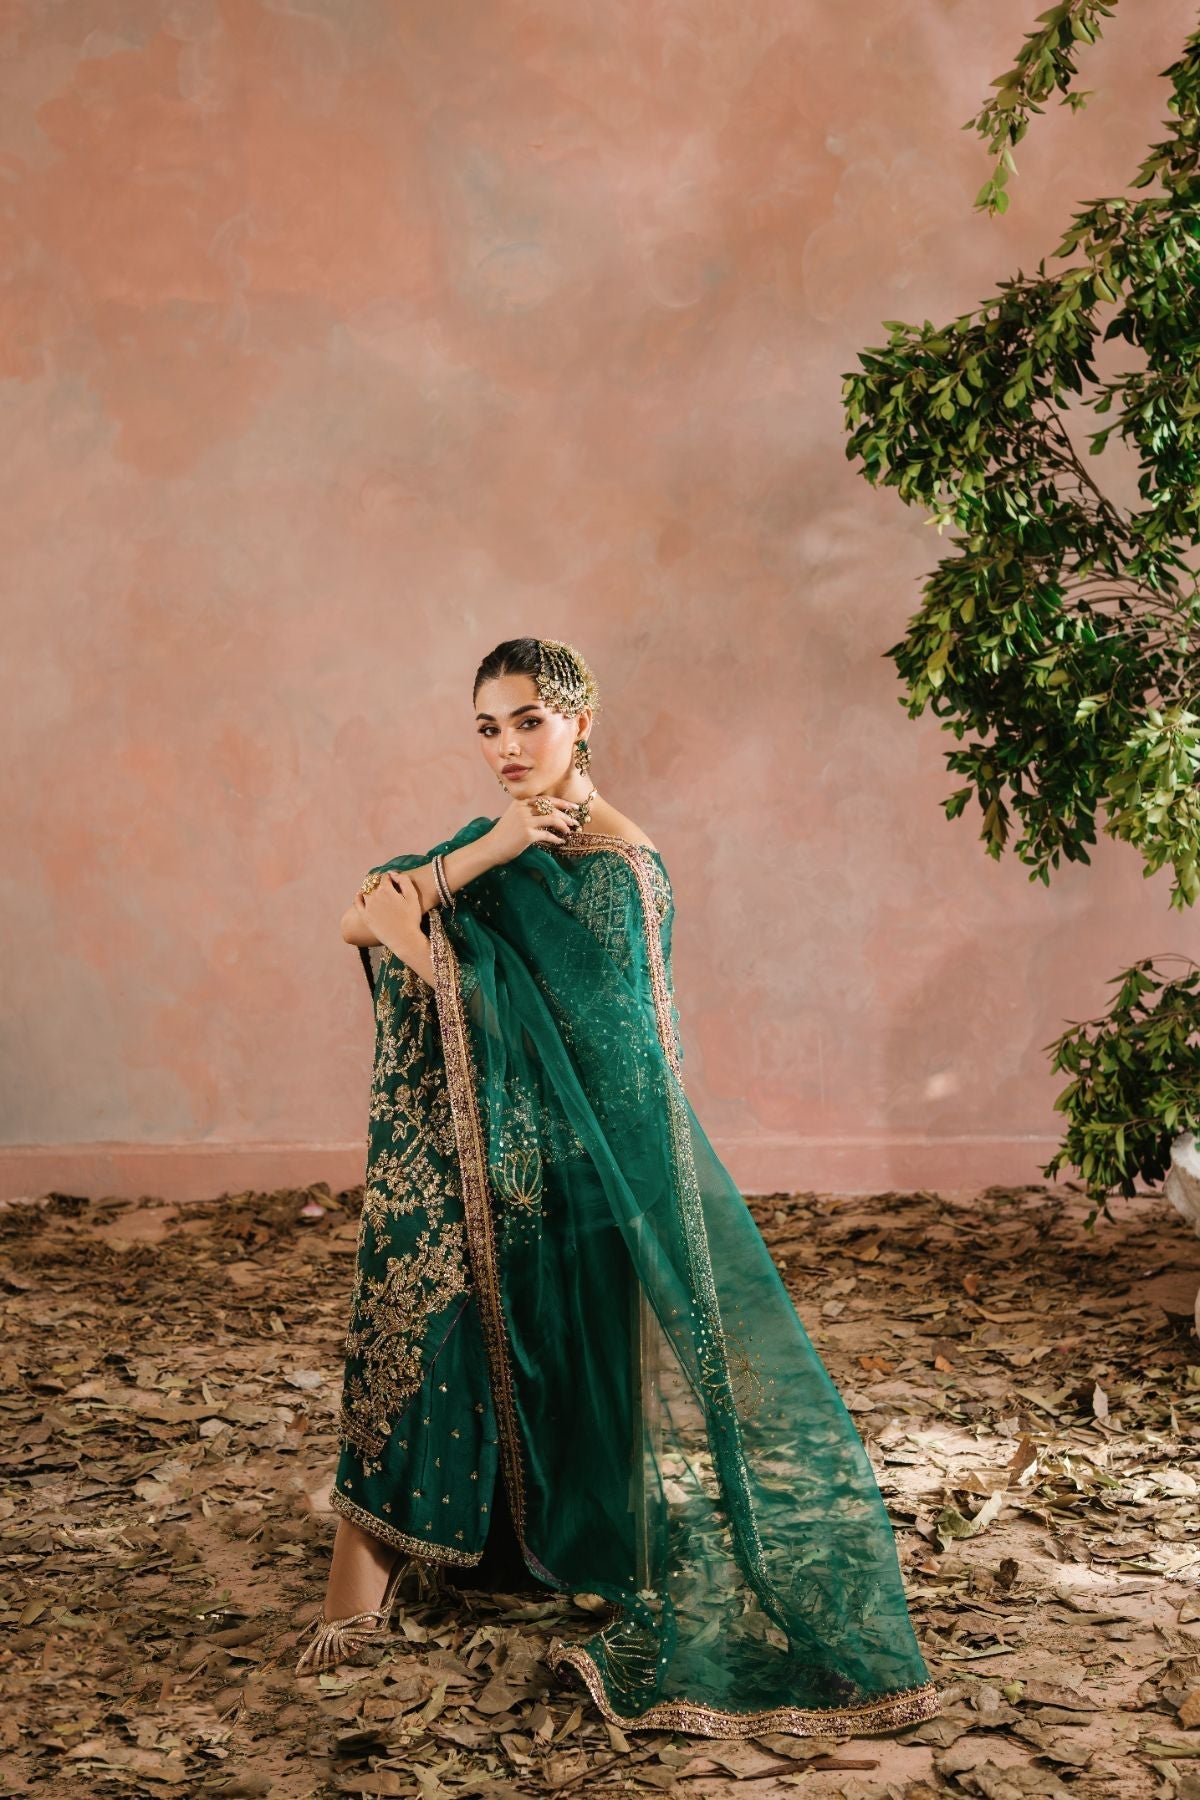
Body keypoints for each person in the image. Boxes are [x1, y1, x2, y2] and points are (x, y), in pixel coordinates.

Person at [295, 636, 939, 1739]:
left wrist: (430, 949)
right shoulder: (500, 842)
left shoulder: (622, 871)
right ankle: (387, 1549)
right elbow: (362, 911)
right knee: (413, 1280)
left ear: (581, 723)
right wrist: (484, 856)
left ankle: (413, 1558)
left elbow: (605, 1061)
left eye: (529, 721)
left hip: (573, 1183)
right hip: (471, 1155)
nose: (507, 747)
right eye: (488, 727)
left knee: (467, 1304)